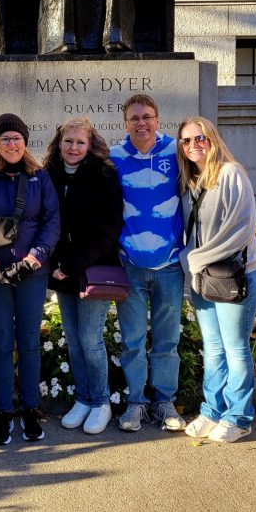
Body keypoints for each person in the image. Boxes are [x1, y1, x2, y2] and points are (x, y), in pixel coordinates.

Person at [0, 113, 60, 446]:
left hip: (32, 272)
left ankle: (29, 409)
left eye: (16, 138)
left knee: (29, 343)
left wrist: (37, 256)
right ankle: (4, 412)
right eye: (5, 139)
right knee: (3, 343)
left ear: (25, 141)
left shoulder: (39, 176)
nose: (11, 144)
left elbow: (52, 221)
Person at [178, 117, 256, 443]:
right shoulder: (193, 180)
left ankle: (239, 417)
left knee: (236, 349)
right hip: (203, 279)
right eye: (186, 141)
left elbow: (239, 231)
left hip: (232, 276)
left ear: (212, 139)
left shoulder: (231, 174)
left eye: (200, 138)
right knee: (212, 349)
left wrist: (193, 260)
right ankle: (213, 410)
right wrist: (193, 263)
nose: (193, 145)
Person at [109, 94, 186, 432]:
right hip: (131, 266)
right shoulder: (113, 157)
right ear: (125, 123)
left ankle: (164, 402)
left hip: (170, 265)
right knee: (133, 340)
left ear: (158, 120)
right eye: (135, 118)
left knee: (168, 340)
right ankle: (136, 403)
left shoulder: (177, 152)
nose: (142, 123)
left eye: (148, 117)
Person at [44, 117, 123, 435]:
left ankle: (101, 401)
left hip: (92, 268)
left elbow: (108, 229)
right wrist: (54, 262)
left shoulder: (104, 175)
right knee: (74, 341)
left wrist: (71, 263)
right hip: (61, 270)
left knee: (91, 340)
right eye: (68, 141)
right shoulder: (48, 173)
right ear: (59, 143)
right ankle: (83, 398)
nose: (73, 147)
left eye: (80, 142)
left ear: (89, 145)